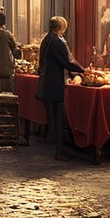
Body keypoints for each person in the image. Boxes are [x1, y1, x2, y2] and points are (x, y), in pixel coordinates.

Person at [36, 16, 84, 160]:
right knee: (58, 120)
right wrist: (83, 70)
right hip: (54, 85)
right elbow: (66, 61)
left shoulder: (47, 39)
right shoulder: (56, 41)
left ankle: (60, 149)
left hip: (47, 84)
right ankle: (59, 152)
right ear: (60, 27)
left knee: (54, 119)